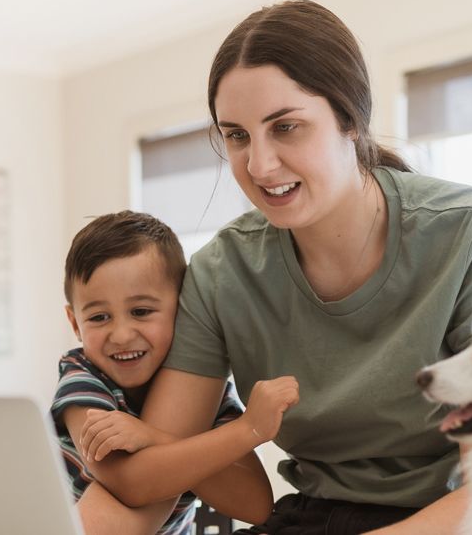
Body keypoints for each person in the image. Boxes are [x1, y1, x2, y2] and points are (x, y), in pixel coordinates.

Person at [83, 0, 472, 535]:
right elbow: (150, 474)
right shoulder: (221, 273)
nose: (258, 165)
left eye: (286, 127)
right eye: (236, 135)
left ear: (351, 119)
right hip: (312, 519)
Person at [51, 210, 297, 534]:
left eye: (141, 311)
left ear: (184, 311)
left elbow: (255, 505)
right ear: (74, 324)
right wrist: (249, 429)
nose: (122, 334)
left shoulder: (207, 392)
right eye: (99, 317)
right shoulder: (82, 377)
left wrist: (152, 436)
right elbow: (127, 482)